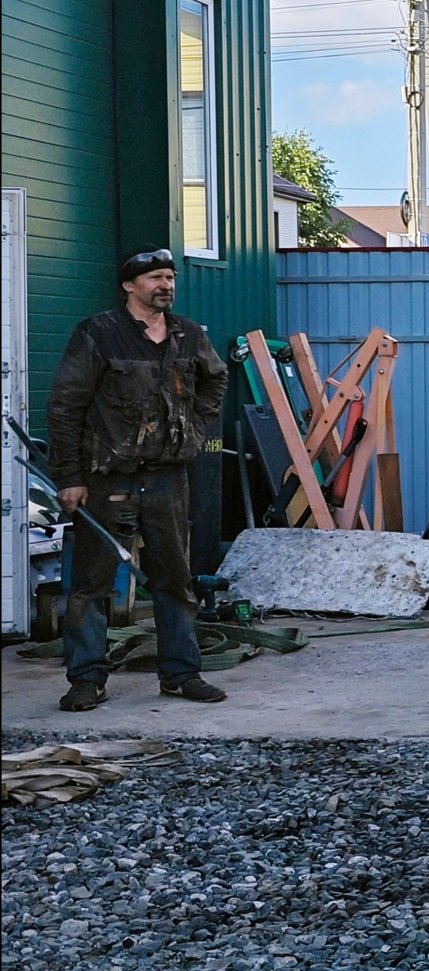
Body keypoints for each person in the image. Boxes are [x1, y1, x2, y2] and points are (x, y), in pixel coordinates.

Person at [45, 245, 229, 710]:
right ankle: (86, 679)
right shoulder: (99, 334)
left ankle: (181, 675)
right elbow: (65, 407)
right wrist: (69, 476)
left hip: (168, 477)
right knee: (91, 583)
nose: (166, 285)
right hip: (108, 478)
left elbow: (216, 380)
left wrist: (194, 427)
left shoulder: (187, 335)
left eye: (170, 277)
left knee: (175, 579)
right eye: (155, 279)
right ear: (130, 286)